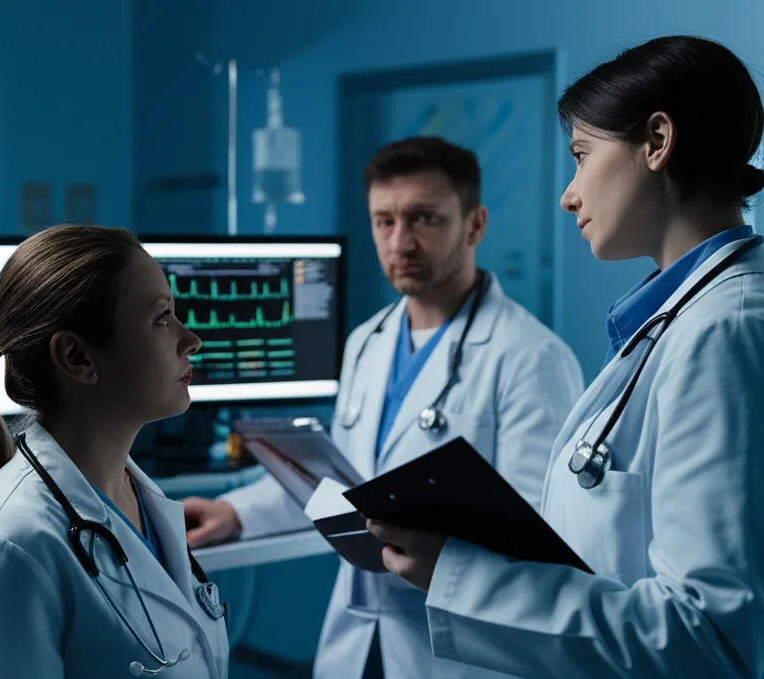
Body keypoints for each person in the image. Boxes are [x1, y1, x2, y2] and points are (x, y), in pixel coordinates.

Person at [367, 35, 764, 679]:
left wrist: (460, 577)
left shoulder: (734, 334)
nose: (569, 194)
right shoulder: (685, 326)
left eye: (583, 156)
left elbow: (708, 642)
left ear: (656, 142)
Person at [183, 136, 585, 678]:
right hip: (360, 638)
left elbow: (536, 535)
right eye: (384, 221)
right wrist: (236, 512)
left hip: (460, 650)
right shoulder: (366, 342)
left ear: (474, 225)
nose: (402, 242)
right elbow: (342, 484)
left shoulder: (530, 357)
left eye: (425, 219)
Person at [0, 225, 229, 679]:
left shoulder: (135, 496)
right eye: (161, 318)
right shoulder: (6, 547)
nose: (190, 339)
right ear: (78, 358)